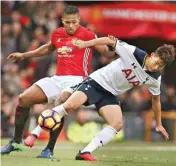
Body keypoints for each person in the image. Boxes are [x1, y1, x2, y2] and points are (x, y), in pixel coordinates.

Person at [36, 36, 175, 161]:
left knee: (117, 123)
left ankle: (85, 152)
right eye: (157, 62)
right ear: (152, 55)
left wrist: (158, 124)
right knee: (69, 106)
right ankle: (36, 132)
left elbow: (155, 100)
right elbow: (109, 40)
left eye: (160, 66)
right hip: (97, 82)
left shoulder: (155, 78)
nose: (156, 67)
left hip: (110, 94)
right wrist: (86, 43)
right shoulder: (133, 52)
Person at [0, 5, 114, 158]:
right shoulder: (57, 34)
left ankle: (49, 149)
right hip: (57, 78)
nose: (71, 26)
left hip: (79, 80)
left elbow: (106, 53)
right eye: (68, 22)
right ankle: (16, 141)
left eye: (74, 22)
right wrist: (24, 55)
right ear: (62, 21)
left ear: (79, 20)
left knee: (61, 102)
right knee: (23, 98)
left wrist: (112, 46)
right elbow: (48, 48)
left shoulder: (88, 35)